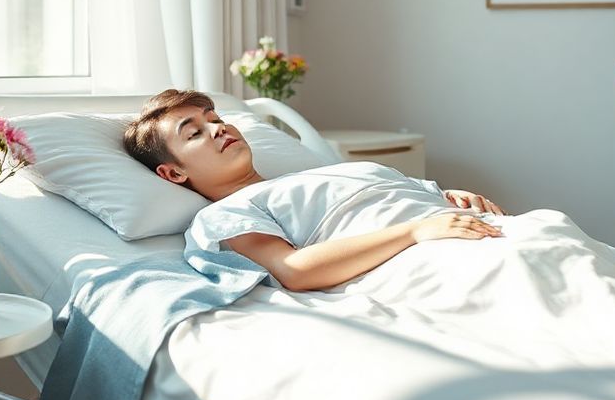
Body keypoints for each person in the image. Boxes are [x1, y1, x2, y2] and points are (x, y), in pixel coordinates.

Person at [123, 89, 507, 291]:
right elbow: (294, 270)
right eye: (194, 133)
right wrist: (416, 231)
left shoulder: (324, 173)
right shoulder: (226, 213)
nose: (218, 128)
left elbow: (403, 194)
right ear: (173, 174)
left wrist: (450, 196)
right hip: (428, 259)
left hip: (489, 234)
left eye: (215, 118)